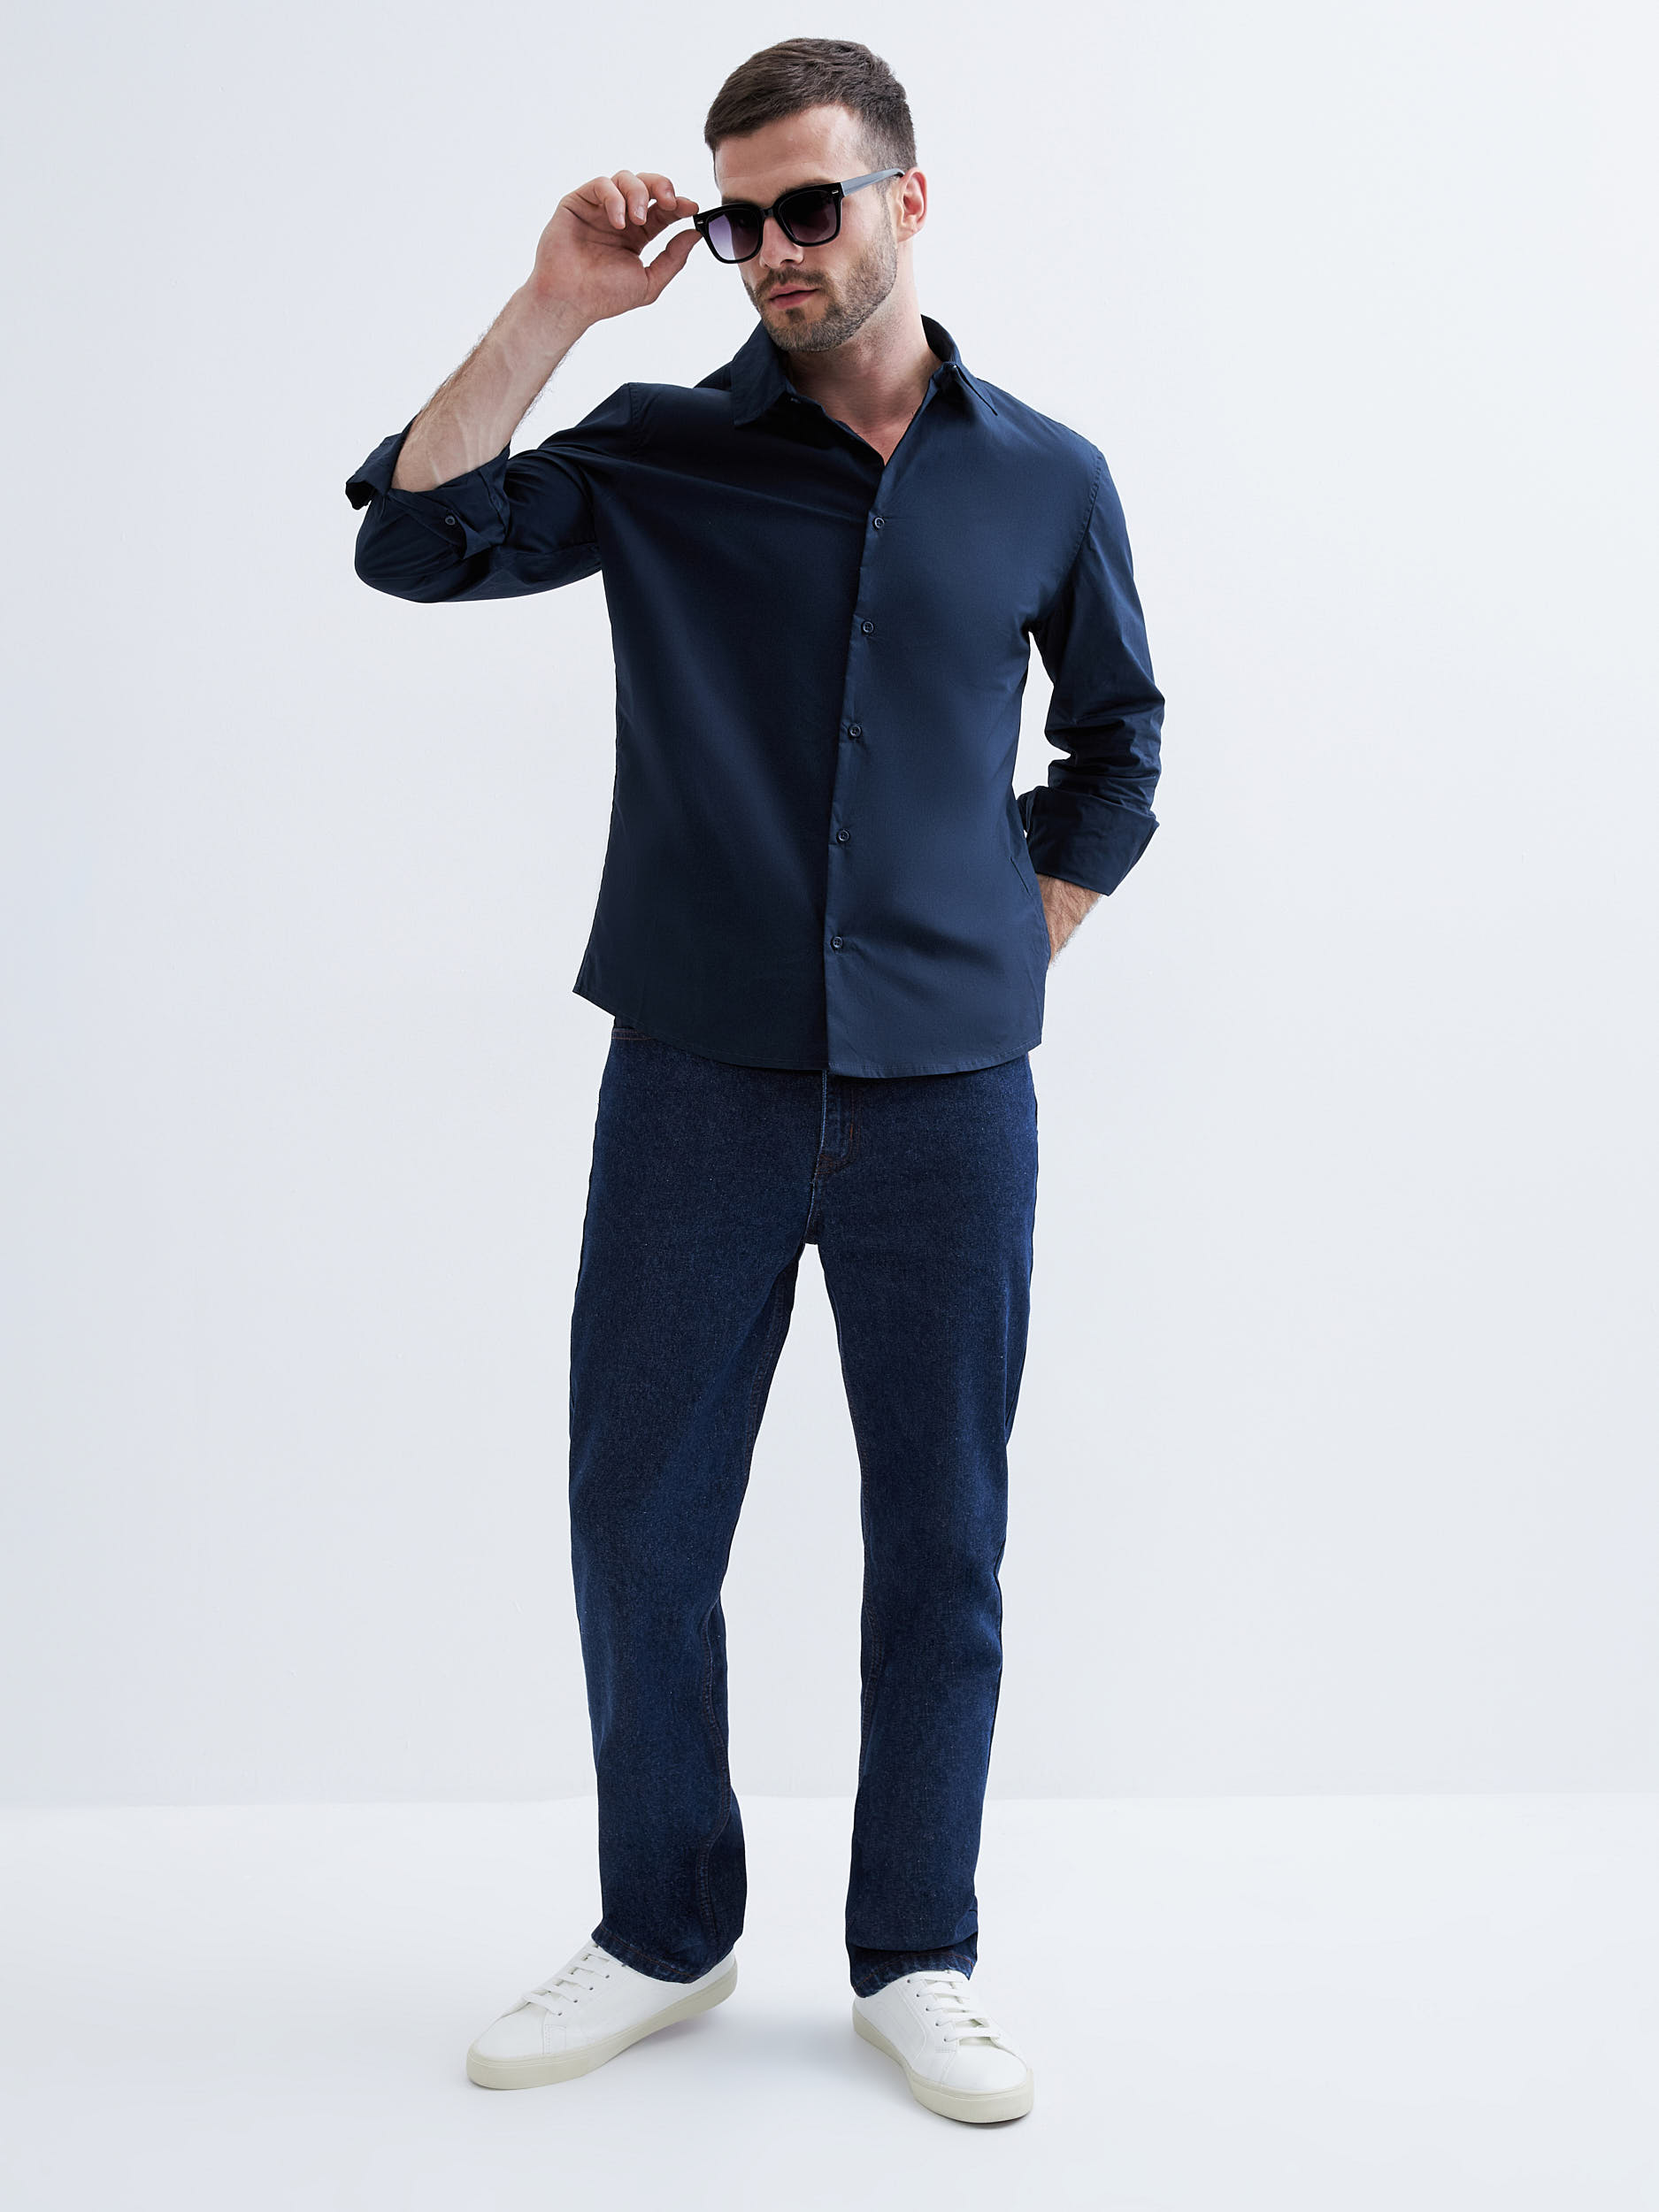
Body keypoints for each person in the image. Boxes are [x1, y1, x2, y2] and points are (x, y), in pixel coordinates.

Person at [344, 36, 1163, 2127]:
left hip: (947, 1092)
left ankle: (917, 1950)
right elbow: (412, 544)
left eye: (810, 205)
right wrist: (554, 304)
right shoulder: (659, 450)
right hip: (694, 1075)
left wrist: (1020, 924)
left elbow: (1117, 740)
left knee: (939, 1533)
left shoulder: (1044, 475)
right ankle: (661, 1925)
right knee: (637, 1511)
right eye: (741, 220)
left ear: (906, 199)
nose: (774, 249)